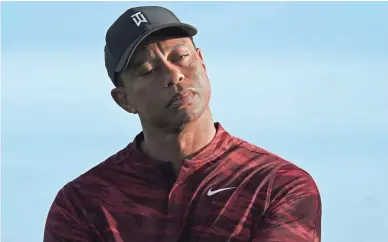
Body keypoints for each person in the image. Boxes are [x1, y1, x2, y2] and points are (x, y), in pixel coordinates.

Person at [44, 5, 322, 242]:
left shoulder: (277, 186)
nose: (173, 74)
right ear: (124, 99)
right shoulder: (82, 203)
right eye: (147, 70)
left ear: (202, 62)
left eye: (180, 57)